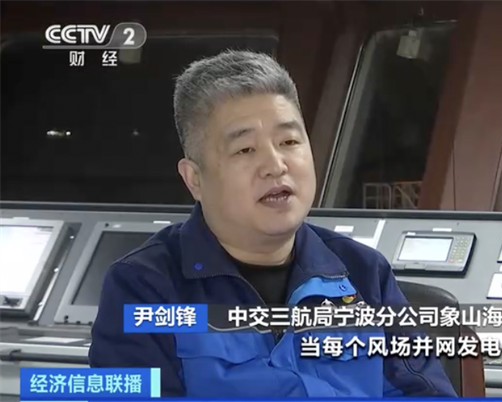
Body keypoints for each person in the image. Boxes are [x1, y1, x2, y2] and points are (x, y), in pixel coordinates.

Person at [89, 50, 457, 398]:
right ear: (195, 179)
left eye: (289, 141)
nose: (276, 165)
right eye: (245, 149)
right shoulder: (144, 287)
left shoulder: (364, 272)